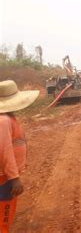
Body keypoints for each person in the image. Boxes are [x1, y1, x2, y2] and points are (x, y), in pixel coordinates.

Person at [0, 80, 38, 233]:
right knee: (4, 216)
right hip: (5, 178)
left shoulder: (7, 118)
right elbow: (5, 150)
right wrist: (14, 178)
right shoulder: (4, 121)